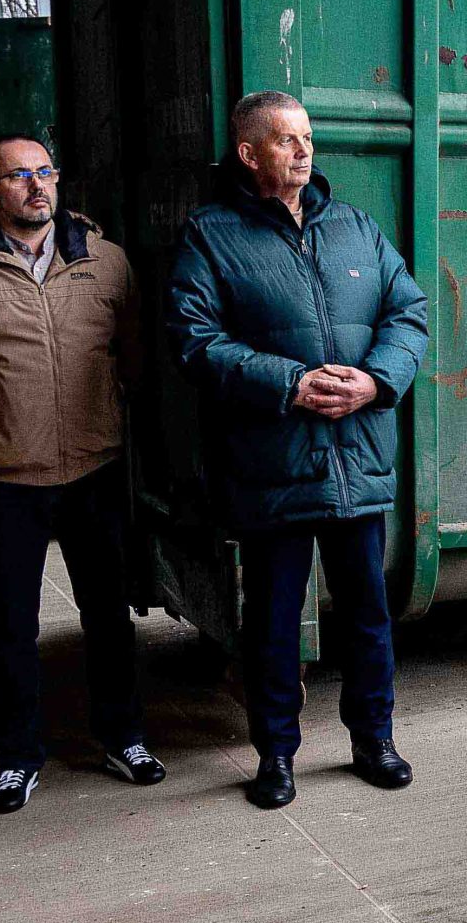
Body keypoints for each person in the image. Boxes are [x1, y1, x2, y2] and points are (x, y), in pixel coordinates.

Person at [165, 91, 429, 810]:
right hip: (271, 464)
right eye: (286, 140)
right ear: (249, 154)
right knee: (274, 622)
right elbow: (194, 340)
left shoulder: (354, 227)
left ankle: (374, 738)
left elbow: (409, 311)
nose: (304, 151)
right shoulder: (211, 236)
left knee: (369, 615)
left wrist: (375, 381)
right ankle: (276, 754)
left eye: (307, 137)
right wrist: (291, 383)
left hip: (357, 456)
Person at [0, 134, 165, 814]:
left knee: (108, 615)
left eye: (45, 170)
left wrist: (104, 415)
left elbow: (133, 359)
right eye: (17, 175)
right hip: (3, 481)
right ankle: (18, 757)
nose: (36, 185)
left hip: (94, 467)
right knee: (12, 626)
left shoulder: (106, 263)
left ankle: (124, 735)